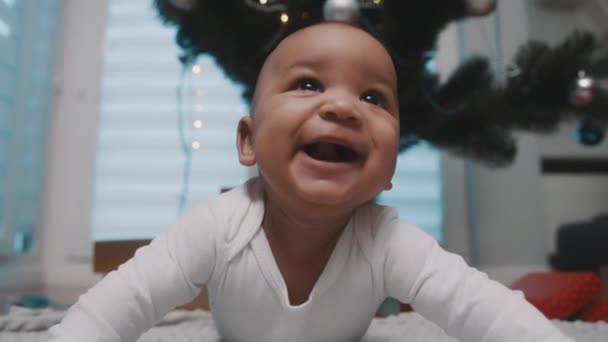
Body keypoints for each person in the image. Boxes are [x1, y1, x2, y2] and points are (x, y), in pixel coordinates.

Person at [49, 22, 573, 342]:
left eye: (373, 98)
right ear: (249, 142)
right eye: (307, 84)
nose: (342, 105)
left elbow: (483, 310)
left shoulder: (387, 240)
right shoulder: (218, 225)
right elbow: (120, 304)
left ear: (389, 169)